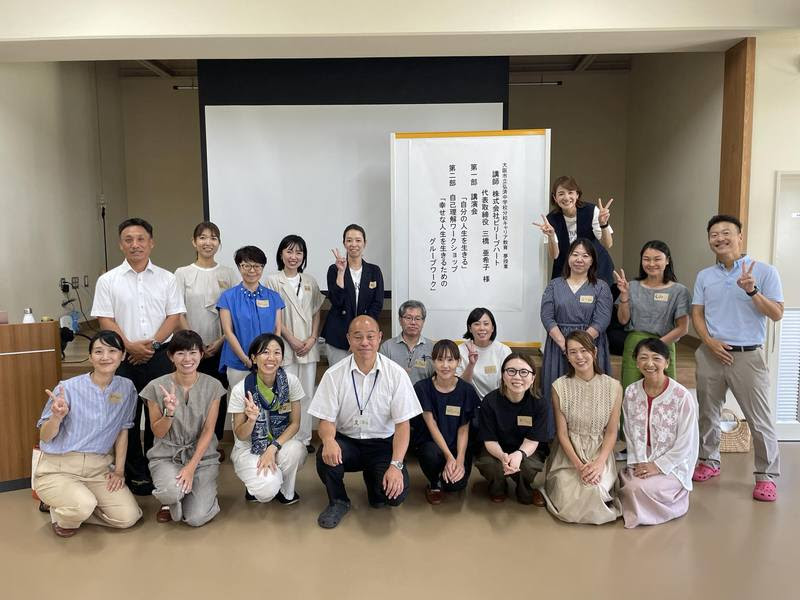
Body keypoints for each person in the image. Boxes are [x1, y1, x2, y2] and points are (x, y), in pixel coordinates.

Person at [692, 214, 784, 502]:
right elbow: (697, 313)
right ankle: (709, 460)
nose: (719, 238)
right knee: (708, 412)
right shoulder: (704, 276)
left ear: (740, 236)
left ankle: (766, 476)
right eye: (714, 235)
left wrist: (752, 291)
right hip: (711, 353)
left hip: (748, 355)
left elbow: (777, 313)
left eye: (726, 233)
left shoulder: (764, 271)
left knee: (760, 420)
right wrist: (708, 342)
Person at [91, 217, 184, 495]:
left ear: (151, 243)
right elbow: (105, 319)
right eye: (129, 240)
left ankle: (158, 467)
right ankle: (135, 473)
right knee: (126, 416)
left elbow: (174, 316)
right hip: (123, 359)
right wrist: (129, 346)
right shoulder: (108, 281)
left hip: (159, 356)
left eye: (141, 239)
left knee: (160, 414)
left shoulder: (167, 278)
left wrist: (151, 346)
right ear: (121, 245)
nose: (135, 245)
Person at [309, 316, 421, 529]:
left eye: (370, 336)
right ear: (348, 339)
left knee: (392, 497)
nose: (364, 342)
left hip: (382, 445)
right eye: (358, 337)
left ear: (379, 338)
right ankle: (338, 501)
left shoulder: (396, 374)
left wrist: (396, 465)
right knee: (326, 455)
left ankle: (374, 478)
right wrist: (329, 440)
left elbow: (402, 425)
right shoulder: (334, 374)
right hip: (348, 442)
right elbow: (326, 419)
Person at [34, 330, 143, 537]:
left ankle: (72, 505)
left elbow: (123, 430)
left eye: (112, 351)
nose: (105, 357)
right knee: (84, 504)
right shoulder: (67, 389)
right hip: (59, 468)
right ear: (90, 357)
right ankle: (64, 511)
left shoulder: (126, 388)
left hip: (98, 469)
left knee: (128, 517)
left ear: (122, 356)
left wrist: (119, 471)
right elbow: (45, 436)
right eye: (98, 351)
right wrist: (56, 417)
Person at [141, 330, 224, 526]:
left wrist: (191, 467)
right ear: (171, 356)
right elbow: (158, 432)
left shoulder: (213, 386)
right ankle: (173, 497)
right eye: (180, 353)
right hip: (166, 455)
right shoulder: (155, 387)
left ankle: (197, 493)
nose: (187, 359)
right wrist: (169, 413)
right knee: (171, 492)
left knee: (196, 518)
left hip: (202, 458)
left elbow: (208, 430)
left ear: (201, 354)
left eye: (193, 352)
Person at [542, 330, 622, 524]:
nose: (579, 356)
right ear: (567, 356)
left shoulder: (614, 386)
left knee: (595, 490)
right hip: (569, 454)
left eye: (584, 350)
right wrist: (579, 466)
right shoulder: (559, 386)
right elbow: (562, 434)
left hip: (599, 452)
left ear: (594, 352)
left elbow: (612, 432)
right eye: (573, 352)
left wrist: (599, 463)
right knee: (569, 498)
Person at [174, 221, 238, 459]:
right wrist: (194, 344)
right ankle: (188, 443)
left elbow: (234, 312)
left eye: (213, 238)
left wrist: (220, 341)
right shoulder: (182, 273)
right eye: (202, 237)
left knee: (216, 395)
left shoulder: (228, 273)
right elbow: (177, 311)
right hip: (189, 348)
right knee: (189, 395)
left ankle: (213, 442)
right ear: (194, 242)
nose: (207, 242)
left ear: (219, 243)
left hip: (220, 347)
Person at [619, 338, 699, 528]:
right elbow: (629, 432)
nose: (649, 363)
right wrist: (640, 461)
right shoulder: (631, 392)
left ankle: (675, 503)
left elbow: (687, 442)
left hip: (673, 462)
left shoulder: (682, 396)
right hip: (642, 458)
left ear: (667, 362)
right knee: (629, 484)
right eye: (643, 358)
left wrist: (658, 466)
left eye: (656, 358)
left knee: (634, 488)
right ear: (636, 362)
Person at [228, 334, 307, 504]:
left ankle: (284, 491)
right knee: (266, 490)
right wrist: (251, 420)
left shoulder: (291, 382)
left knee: (296, 450)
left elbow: (295, 423)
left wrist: (272, 448)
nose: (271, 358)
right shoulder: (241, 389)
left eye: (277, 352)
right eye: (265, 352)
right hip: (250, 447)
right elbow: (240, 435)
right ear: (253, 358)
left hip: (279, 442)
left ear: (282, 358)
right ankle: (260, 484)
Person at [265, 234, 326, 453]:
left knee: (307, 393)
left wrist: (312, 339)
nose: (294, 256)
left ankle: (304, 438)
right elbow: (274, 315)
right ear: (281, 254)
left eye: (299, 252)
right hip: (285, 345)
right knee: (285, 394)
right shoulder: (272, 280)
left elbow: (317, 312)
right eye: (289, 251)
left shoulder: (310, 281)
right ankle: (285, 438)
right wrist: (291, 340)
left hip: (308, 346)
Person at [540, 238, 613, 407]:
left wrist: (579, 346)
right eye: (575, 254)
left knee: (590, 395)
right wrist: (565, 344)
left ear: (592, 261)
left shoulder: (601, 287)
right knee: (558, 395)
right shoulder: (554, 285)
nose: (579, 259)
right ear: (568, 258)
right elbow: (547, 316)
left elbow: (602, 319)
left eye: (585, 256)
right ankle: (556, 425)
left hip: (590, 344)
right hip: (558, 345)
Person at [614, 240, 690, 390]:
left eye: (657, 259)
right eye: (646, 259)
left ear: (667, 260)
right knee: (631, 390)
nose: (651, 263)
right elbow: (623, 320)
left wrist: (655, 346)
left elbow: (683, 328)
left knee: (665, 391)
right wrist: (624, 295)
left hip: (664, 344)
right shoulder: (632, 286)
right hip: (635, 345)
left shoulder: (679, 291)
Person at [475, 353, 550, 506]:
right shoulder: (490, 401)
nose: (517, 377)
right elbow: (489, 440)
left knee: (527, 466)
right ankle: (498, 487)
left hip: (526, 449)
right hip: (496, 448)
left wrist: (519, 454)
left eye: (524, 372)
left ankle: (524, 488)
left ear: (533, 377)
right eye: (511, 371)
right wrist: (503, 456)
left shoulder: (539, 403)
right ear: (503, 375)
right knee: (491, 465)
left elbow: (533, 440)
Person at [414, 339, 480, 504]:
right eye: (440, 359)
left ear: (458, 362)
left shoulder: (466, 390)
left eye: (450, 360)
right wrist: (449, 457)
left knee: (455, 486)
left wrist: (459, 460)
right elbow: (432, 425)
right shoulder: (422, 388)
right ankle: (434, 483)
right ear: (433, 361)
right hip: (433, 445)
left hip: (458, 446)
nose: (445, 365)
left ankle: (448, 476)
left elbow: (464, 429)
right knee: (429, 453)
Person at [217, 245, 284, 395]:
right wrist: (246, 360)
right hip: (237, 362)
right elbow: (228, 331)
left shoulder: (273, 297)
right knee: (239, 402)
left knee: (267, 403)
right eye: (246, 265)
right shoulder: (228, 297)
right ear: (239, 267)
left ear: (262, 267)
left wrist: (271, 357)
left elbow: (277, 330)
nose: (252, 270)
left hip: (267, 363)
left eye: (257, 266)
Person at [533, 175, 615, 287]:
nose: (566, 198)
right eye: (561, 194)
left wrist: (603, 224)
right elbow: (554, 255)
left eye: (570, 192)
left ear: (577, 195)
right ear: (555, 198)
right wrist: (551, 236)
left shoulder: (591, 211)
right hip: (569, 271)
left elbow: (608, 244)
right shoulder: (551, 220)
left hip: (597, 269)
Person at [321, 224, 384, 367]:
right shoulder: (334, 269)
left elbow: (377, 304)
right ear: (344, 243)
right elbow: (337, 301)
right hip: (338, 336)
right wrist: (341, 272)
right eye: (349, 240)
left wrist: (359, 335)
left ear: (364, 243)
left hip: (365, 338)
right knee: (339, 378)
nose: (353, 244)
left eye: (358, 240)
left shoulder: (374, 271)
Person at [456, 307, 512, 401]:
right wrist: (471, 364)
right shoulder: (460, 350)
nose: (482, 328)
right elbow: (460, 387)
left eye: (486, 324)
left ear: (492, 328)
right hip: (470, 402)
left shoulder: (504, 350)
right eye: (477, 324)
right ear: (470, 328)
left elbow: (509, 383)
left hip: (497, 401)